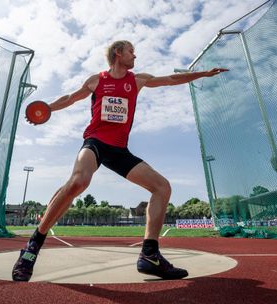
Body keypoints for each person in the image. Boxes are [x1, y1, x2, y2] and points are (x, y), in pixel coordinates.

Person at [12, 40, 228, 282]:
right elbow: (71, 98)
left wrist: (203, 74)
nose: (135, 56)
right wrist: (47, 108)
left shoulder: (138, 80)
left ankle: (150, 255)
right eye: (131, 51)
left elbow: (171, 79)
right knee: (78, 183)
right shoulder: (96, 80)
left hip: (119, 151)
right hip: (95, 142)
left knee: (162, 187)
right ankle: (32, 247)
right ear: (118, 53)